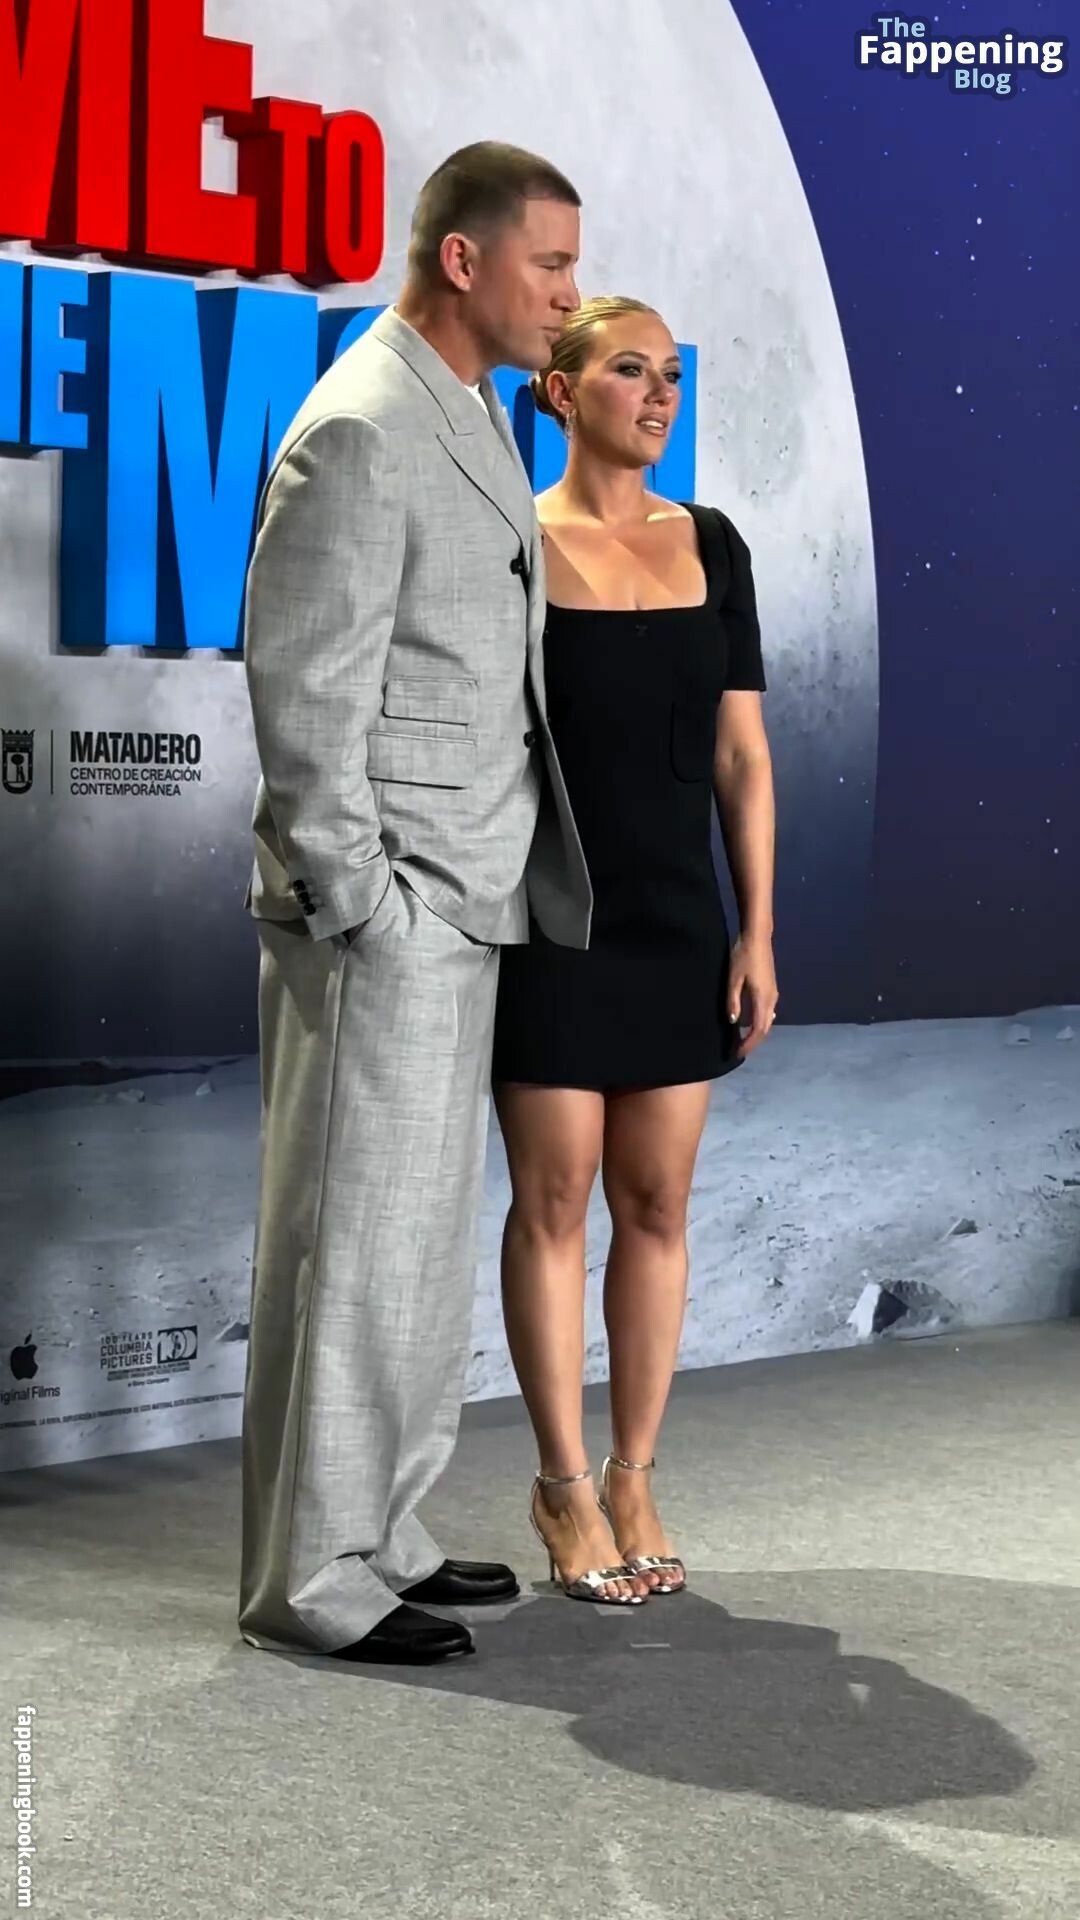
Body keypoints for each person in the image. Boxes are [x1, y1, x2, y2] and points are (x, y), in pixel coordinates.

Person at [238, 143, 593, 1667]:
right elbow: (305, 692)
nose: (569, 298)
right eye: (550, 265)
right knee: (348, 1248)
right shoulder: (363, 427)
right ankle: (313, 1582)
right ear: (463, 259)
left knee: (413, 1246)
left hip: (462, 896)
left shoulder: (469, 413)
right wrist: (362, 904)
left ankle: (379, 1531)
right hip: (389, 910)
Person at [491, 296, 779, 1605]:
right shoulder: (510, 542)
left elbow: (741, 756)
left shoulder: (715, 544)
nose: (660, 394)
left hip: (677, 925)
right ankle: (561, 1487)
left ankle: (635, 1476)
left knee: (657, 1206)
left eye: (671, 374)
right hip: (548, 921)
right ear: (559, 392)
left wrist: (755, 929)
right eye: (628, 370)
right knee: (554, 1204)